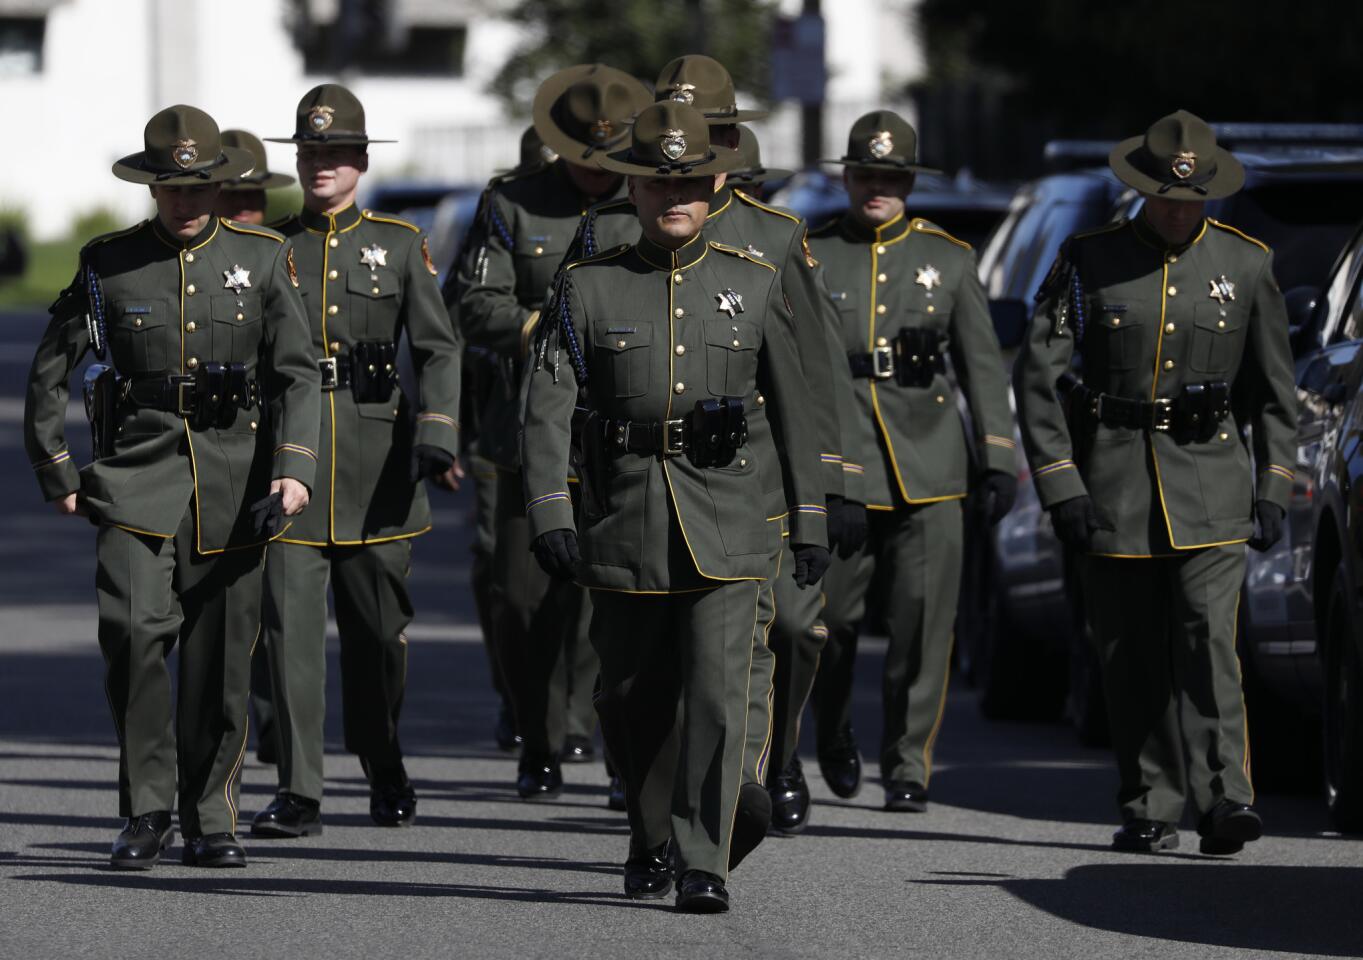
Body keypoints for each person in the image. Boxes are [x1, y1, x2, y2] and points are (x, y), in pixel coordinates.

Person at [522, 100, 828, 913]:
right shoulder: (588, 286)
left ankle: (705, 860)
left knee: (721, 692)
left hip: (727, 517)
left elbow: (799, 407)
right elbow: (547, 403)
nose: (675, 197)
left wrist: (812, 520)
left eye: (690, 181)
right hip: (623, 514)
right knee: (628, 696)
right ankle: (649, 832)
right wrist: (551, 510)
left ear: (714, 181)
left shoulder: (753, 281)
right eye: (659, 183)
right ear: (634, 187)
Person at [566, 54, 862, 843]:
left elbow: (814, 373)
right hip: (640, 487)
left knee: (787, 633)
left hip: (754, 480)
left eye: (714, 132)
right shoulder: (606, 232)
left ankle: (753, 776)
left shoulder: (774, 235)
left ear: (730, 142)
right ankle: (671, 797)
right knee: (639, 675)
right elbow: (574, 358)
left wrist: (831, 487)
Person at [23, 104, 320, 869]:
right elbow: (53, 364)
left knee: (222, 660)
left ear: (218, 186)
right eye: (172, 190)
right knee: (131, 636)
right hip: (134, 477)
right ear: (153, 188)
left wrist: (293, 468)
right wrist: (55, 464)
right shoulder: (109, 262)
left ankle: (211, 817)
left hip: (237, 477)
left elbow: (295, 372)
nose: (185, 203)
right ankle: (146, 809)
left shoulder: (260, 258)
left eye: (198, 189)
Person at [1015, 110, 1296, 855]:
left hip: (1212, 483)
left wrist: (1273, 484)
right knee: (1130, 653)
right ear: (1141, 191)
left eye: (1192, 199)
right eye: (1165, 198)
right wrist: (1060, 485)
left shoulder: (1244, 264)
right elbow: (1038, 379)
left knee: (1209, 644)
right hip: (1113, 482)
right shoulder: (1088, 258)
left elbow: (1275, 392)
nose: (1178, 211)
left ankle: (1225, 799)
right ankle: (1148, 801)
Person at [249, 83, 462, 838]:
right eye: (310, 153)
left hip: (379, 459)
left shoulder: (401, 245)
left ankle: (383, 758)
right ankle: (299, 789)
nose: (321, 165)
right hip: (291, 460)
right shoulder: (272, 248)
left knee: (378, 638)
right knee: (290, 634)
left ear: (361, 162)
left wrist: (438, 431)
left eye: (336, 153)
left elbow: (437, 346)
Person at [807, 110, 1017, 814]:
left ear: (908, 182)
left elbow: (981, 366)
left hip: (928, 465)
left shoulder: (949, 258)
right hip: (841, 467)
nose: (878, 186)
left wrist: (995, 456)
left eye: (891, 176)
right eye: (867, 173)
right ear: (846, 176)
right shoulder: (810, 253)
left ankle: (905, 765)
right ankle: (832, 732)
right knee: (827, 621)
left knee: (921, 625)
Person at [458, 64, 651, 800]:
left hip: (620, 437)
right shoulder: (511, 205)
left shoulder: (651, 204)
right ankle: (536, 737)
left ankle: (621, 754)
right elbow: (474, 304)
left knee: (622, 603)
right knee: (520, 598)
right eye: (583, 154)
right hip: (530, 430)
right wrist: (556, 328)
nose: (595, 170)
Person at [213, 127, 298, 766]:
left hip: (284, 443)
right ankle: (241, 730)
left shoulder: (278, 253)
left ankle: (274, 725)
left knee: (276, 606)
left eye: (251, 201)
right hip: (221, 448)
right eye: (228, 199)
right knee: (233, 608)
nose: (242, 213)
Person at [215, 129, 295, 227]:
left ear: (264, 199)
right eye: (231, 193)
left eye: (252, 193)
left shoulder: (286, 240)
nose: (241, 203)